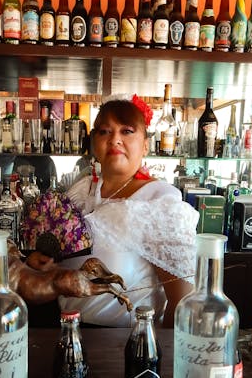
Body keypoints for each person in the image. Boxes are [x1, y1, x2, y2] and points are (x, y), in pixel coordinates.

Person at [27, 95, 199, 327]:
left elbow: (182, 299)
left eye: (127, 131)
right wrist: (46, 266)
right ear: (94, 142)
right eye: (104, 131)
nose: (115, 139)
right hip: (67, 330)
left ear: (146, 144)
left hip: (126, 341)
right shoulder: (81, 190)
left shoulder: (159, 201)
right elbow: (66, 264)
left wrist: (158, 350)